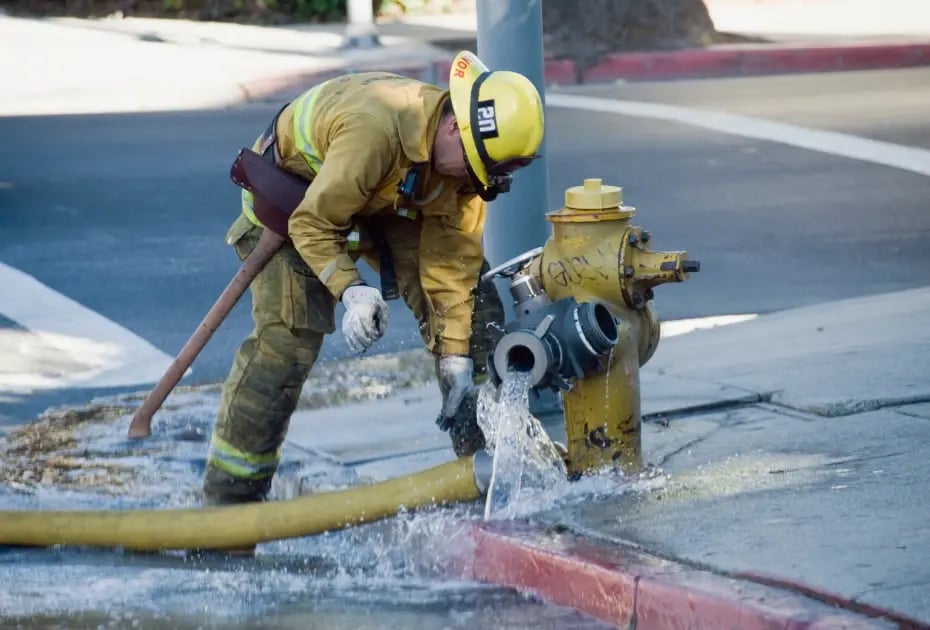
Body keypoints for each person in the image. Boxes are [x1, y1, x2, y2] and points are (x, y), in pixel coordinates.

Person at [203, 50, 545, 507]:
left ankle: (483, 475)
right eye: (472, 166)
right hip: (292, 203)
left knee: (475, 313)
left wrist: (456, 361)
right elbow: (313, 223)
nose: (471, 180)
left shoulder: (462, 171)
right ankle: (231, 499)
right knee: (288, 340)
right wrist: (353, 290)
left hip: (383, 199)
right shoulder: (375, 130)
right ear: (452, 127)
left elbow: (453, 271)